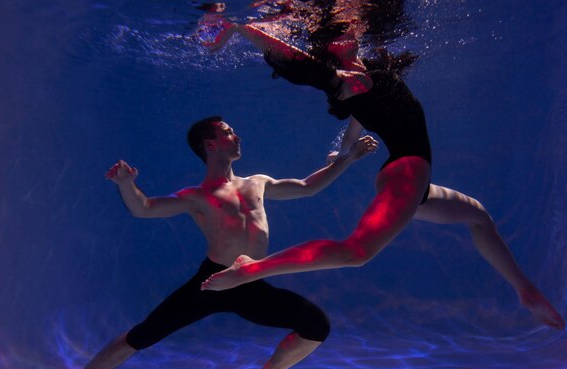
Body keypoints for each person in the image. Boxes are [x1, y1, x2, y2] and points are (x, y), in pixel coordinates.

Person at [198, 4, 565, 331]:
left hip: (409, 180)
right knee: (357, 252)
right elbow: (297, 63)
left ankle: (525, 290)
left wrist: (341, 155)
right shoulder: (353, 81)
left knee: (478, 216)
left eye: (351, 31)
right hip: (407, 172)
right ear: (329, 49)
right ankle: (251, 269)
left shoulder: (361, 84)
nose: (351, 33)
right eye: (341, 34)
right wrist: (239, 27)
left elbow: (351, 130)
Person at [21, 116, 379, 369]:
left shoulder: (258, 182)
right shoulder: (197, 197)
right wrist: (127, 185)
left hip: (251, 280)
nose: (236, 136)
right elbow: (144, 208)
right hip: (210, 282)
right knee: (141, 335)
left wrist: (346, 160)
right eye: (227, 132)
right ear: (210, 144)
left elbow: (306, 187)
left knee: (316, 326)